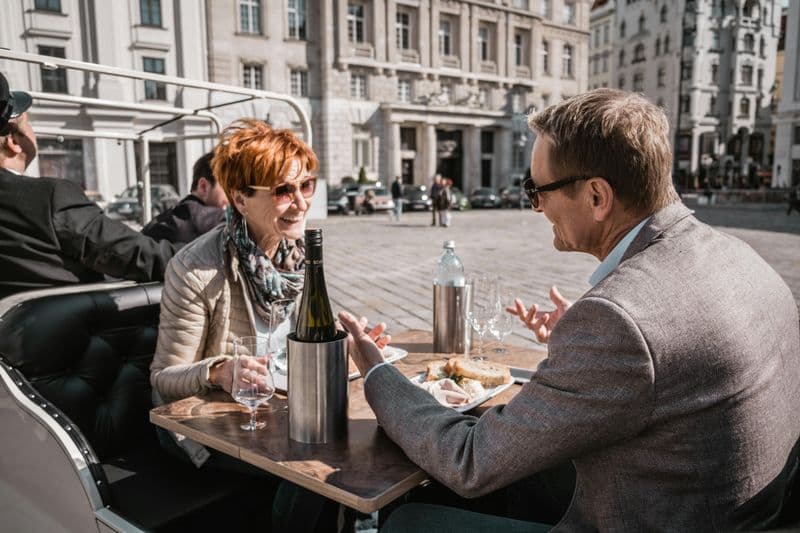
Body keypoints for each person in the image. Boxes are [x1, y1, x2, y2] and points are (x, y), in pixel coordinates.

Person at [339, 89, 800, 531]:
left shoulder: (620, 319)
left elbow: (470, 461)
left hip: (652, 517)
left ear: (597, 197)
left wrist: (378, 373)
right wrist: (585, 351)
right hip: (730, 505)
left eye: (537, 190)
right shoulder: (738, 254)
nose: (536, 207)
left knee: (411, 519)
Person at [150, 118, 368, 532]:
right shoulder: (196, 268)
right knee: (315, 465)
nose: (301, 202)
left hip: (279, 411)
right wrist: (219, 370)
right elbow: (163, 379)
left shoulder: (300, 257)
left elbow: (307, 344)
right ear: (241, 199)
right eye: (284, 191)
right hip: (209, 425)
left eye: (307, 185)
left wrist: (351, 347)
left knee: (372, 434)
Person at [0, 71, 177, 300]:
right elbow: (139, 256)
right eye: (29, 122)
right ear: (14, 142)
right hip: (77, 331)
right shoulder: (48, 198)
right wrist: (203, 255)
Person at [141, 152, 227, 244]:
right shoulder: (199, 221)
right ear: (203, 186)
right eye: (229, 187)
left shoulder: (170, 217)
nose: (237, 196)